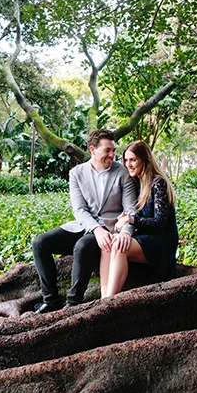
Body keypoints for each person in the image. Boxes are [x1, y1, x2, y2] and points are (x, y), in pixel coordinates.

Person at [30, 129, 138, 313]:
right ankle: (50, 300)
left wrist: (126, 233)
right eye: (107, 150)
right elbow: (79, 209)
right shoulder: (76, 173)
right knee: (40, 243)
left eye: (113, 150)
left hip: (111, 229)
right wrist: (96, 229)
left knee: (82, 246)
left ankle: (73, 304)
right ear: (92, 150)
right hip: (85, 225)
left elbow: (130, 210)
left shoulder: (122, 172)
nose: (112, 155)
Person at [101, 140, 178, 298]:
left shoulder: (158, 183)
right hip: (146, 237)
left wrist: (131, 220)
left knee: (120, 247)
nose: (128, 164)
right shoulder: (137, 183)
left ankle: (110, 301)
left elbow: (160, 222)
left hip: (162, 241)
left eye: (133, 160)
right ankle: (104, 297)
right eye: (126, 160)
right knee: (110, 243)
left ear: (145, 160)